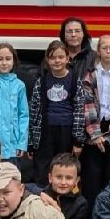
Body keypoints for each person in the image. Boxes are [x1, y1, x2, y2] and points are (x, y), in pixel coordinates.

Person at [78, 34, 110, 205]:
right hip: (93, 132)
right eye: (104, 48)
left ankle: (107, 215)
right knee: (91, 179)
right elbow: (87, 104)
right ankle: (89, 218)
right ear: (98, 51)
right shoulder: (90, 75)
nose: (108, 51)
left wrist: (109, 137)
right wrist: (95, 134)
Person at [28, 39, 82, 183]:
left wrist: (78, 141)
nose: (57, 61)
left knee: (64, 166)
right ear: (47, 60)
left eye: (60, 57)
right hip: (46, 131)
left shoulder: (75, 80)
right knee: (43, 168)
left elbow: (79, 111)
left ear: (67, 58)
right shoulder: (42, 81)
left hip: (67, 131)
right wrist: (31, 141)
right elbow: (35, 110)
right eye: (52, 57)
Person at [40, 152, 90, 219]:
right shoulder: (42, 195)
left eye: (69, 178)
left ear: (77, 180)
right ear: (50, 178)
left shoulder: (81, 203)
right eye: (58, 177)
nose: (63, 182)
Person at [60, 16, 96, 81]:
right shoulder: (54, 56)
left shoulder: (95, 58)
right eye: (69, 31)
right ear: (63, 35)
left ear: (83, 34)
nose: (73, 34)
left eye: (77, 31)